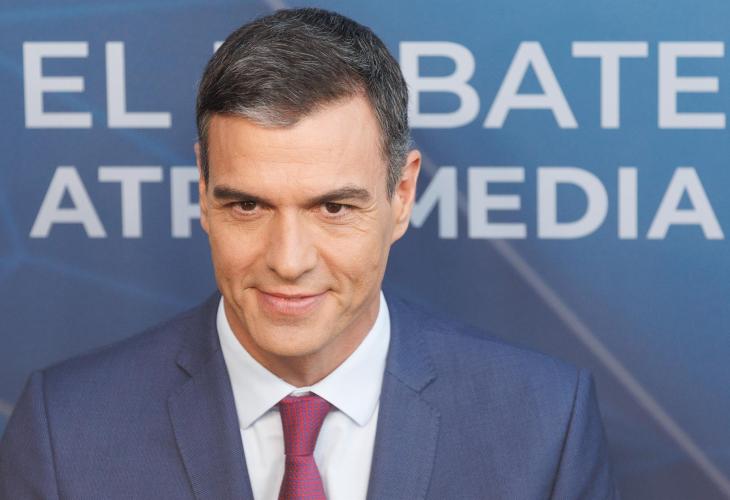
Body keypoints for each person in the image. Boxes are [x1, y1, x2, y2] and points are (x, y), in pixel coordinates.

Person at [0, 7, 617, 499]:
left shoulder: (544, 424)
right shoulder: (67, 430)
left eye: (334, 208)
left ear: (401, 195)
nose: (289, 260)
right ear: (203, 190)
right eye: (248, 206)